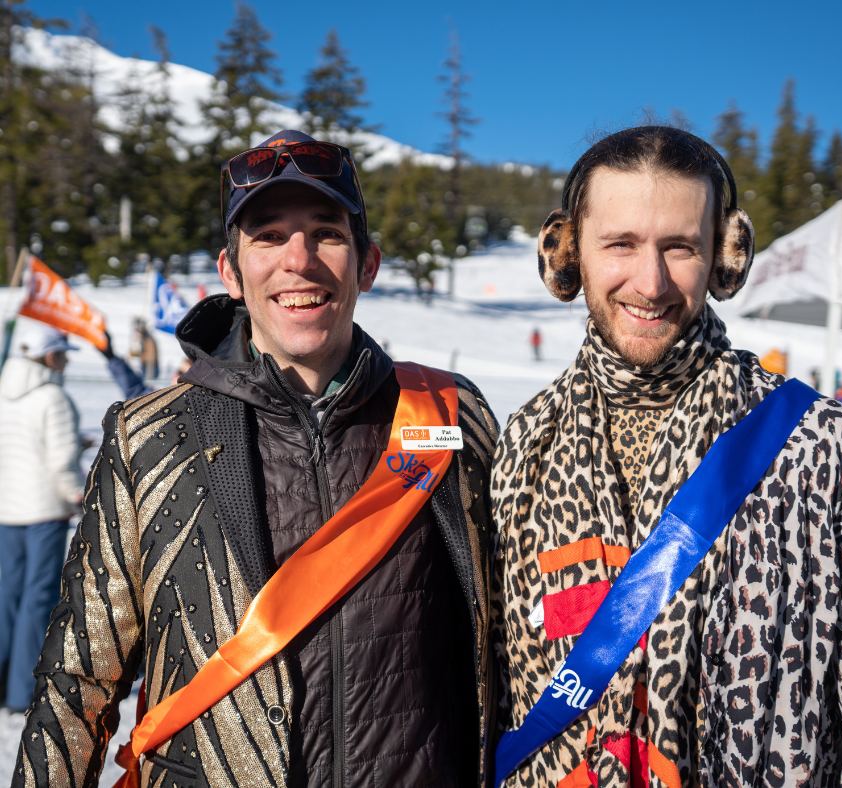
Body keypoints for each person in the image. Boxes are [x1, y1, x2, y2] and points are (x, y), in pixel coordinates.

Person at [15, 130, 499, 787]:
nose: (299, 260)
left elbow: (506, 647)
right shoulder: (147, 437)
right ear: (231, 273)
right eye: (268, 236)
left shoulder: (450, 417)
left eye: (326, 233)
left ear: (367, 265)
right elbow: (78, 678)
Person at [490, 127, 842, 786]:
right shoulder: (525, 444)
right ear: (565, 253)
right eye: (620, 244)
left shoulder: (827, 449)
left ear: (726, 257)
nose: (650, 283)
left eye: (680, 247)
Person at [0, 327, 85, 713]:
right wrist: (77, 494)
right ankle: (22, 692)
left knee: (8, 595)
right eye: (63, 354)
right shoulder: (54, 397)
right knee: (38, 598)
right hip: (44, 511)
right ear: (50, 357)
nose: (66, 361)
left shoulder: (4, 392)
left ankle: (3, 683)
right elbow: (60, 461)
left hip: (8, 508)